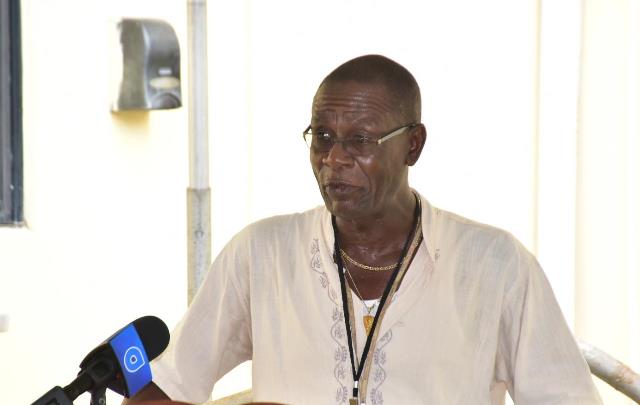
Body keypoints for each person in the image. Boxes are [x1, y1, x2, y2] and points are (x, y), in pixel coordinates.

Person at [125, 55, 602, 404]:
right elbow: (168, 385)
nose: (334, 159)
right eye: (323, 137)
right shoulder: (260, 255)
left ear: (413, 145)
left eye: (360, 140)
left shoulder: (495, 265)